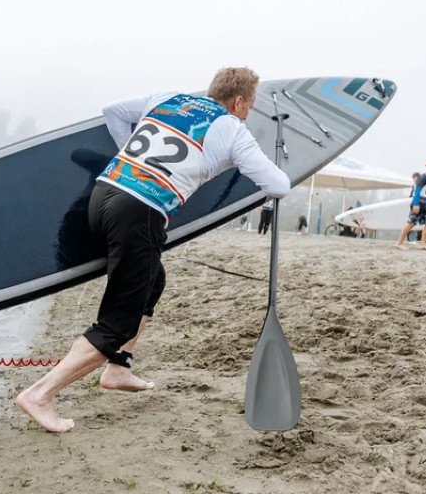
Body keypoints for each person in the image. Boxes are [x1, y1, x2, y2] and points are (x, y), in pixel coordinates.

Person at [15, 67, 291, 433]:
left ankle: (118, 367)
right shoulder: (232, 128)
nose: (248, 113)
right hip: (138, 212)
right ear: (239, 101)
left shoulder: (170, 99)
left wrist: (130, 157)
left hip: (102, 196)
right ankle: (40, 394)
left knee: (152, 281)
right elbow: (278, 184)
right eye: (250, 106)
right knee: (118, 320)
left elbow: (113, 110)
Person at [396, 161, 426, 249]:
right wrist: (415, 204)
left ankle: (422, 243)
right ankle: (399, 243)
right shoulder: (423, 177)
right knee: (411, 223)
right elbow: (417, 191)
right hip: (418, 204)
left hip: (425, 205)